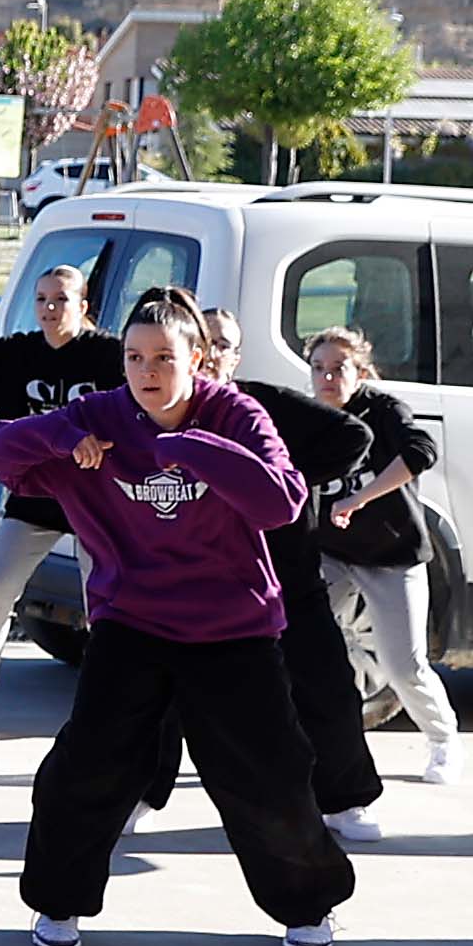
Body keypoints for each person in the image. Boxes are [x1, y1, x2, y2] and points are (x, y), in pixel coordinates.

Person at [0, 288, 357, 946]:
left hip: (233, 628)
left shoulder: (235, 413)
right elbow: (2, 454)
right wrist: (67, 437)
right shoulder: (101, 415)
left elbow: (281, 501)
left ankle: (307, 904)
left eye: (164, 357)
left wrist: (193, 448)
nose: (147, 371)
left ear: (200, 361)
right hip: (132, 623)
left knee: (266, 772)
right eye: (134, 357)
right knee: (87, 766)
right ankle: (59, 901)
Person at [129, 309, 388, 842]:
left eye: (226, 346)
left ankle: (345, 799)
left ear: (232, 356)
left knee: (326, 684)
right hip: (197, 582)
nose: (216, 355)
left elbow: (352, 438)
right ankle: (142, 792)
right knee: (162, 694)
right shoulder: (161, 412)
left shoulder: (265, 406)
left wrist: (279, 483)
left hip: (284, 572)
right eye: (209, 343)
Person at [0, 265, 122, 706]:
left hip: (96, 501)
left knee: (106, 606)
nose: (50, 309)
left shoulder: (108, 356)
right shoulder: (17, 355)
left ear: (83, 306)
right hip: (34, 497)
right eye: (41, 299)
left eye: (60, 299)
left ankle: (108, 699)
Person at [310, 327, 467, 786]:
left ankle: (443, 740)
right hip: (332, 554)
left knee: (403, 664)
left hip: (391, 552)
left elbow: (422, 451)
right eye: (318, 369)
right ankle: (297, 745)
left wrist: (361, 499)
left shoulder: (382, 410)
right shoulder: (310, 416)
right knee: (297, 647)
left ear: (359, 371)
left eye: (338, 368)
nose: (326, 378)